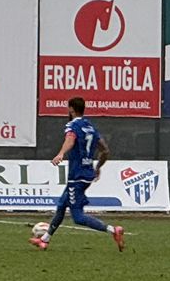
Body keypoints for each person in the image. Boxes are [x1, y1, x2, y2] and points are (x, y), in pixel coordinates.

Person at [32, 95, 126, 252]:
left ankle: (113, 230)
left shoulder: (72, 126)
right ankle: (44, 240)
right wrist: (98, 167)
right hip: (86, 173)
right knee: (62, 205)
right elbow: (105, 150)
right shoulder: (90, 127)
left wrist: (61, 153)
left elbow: (70, 140)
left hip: (77, 176)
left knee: (78, 217)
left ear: (71, 109)